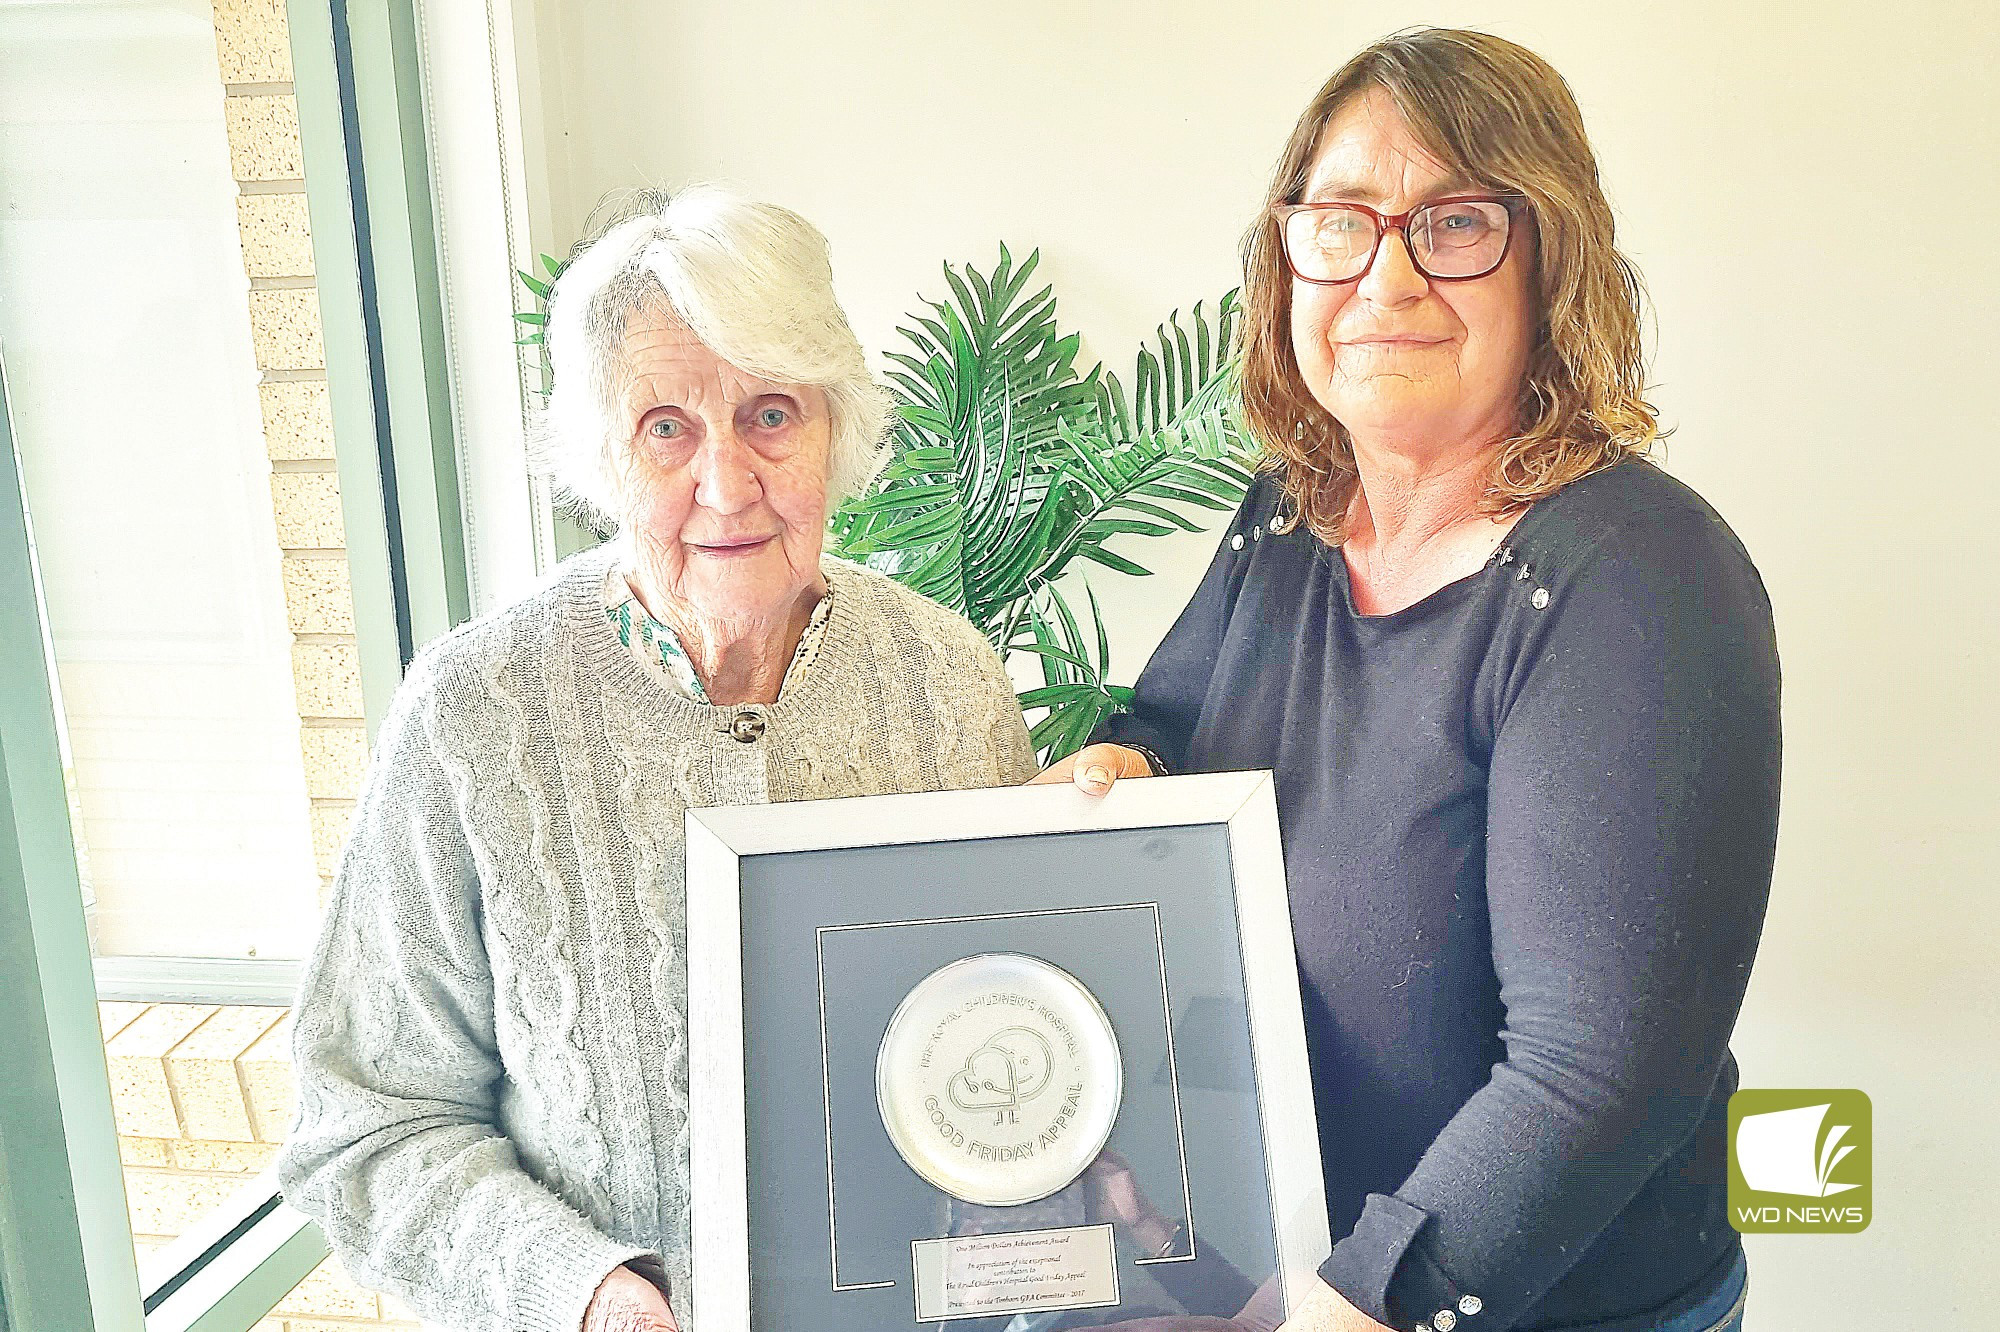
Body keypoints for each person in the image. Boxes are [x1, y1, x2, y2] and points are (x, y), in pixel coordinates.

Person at [1043, 29, 1777, 1332]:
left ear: (1550, 257)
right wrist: (1123, 769)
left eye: (1452, 223)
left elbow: (1600, 1071)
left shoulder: (1642, 579)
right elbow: (1170, 718)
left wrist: (1360, 1304)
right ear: (1290, 258)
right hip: (1282, 1282)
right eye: (1341, 222)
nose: (1387, 274)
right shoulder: (1290, 518)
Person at [277, 186, 1038, 1332]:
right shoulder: (476, 712)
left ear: (837, 434)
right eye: (666, 427)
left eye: (771, 414)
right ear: (602, 457)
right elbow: (369, 1125)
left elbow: (1019, 1029)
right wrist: (577, 1292)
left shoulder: (949, 682)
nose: (725, 484)